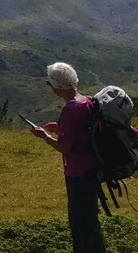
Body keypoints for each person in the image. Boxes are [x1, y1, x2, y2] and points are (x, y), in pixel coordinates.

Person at [30, 61, 106, 253]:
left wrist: (45, 136)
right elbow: (84, 131)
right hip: (93, 168)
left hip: (78, 174)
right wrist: (60, 128)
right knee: (90, 220)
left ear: (57, 87)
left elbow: (64, 147)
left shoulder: (71, 109)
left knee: (80, 223)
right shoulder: (87, 101)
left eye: (50, 84)